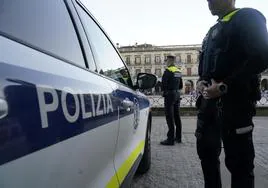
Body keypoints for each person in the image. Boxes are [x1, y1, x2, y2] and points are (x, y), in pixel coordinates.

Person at [196, 0, 268, 187]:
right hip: (207, 105)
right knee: (206, 154)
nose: (209, 2)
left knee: (240, 165)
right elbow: (205, 66)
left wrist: (224, 86)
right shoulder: (212, 31)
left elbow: (261, 56)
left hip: (236, 105)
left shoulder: (248, 17)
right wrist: (200, 82)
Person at [160, 55, 183, 145]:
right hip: (177, 94)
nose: (166, 62)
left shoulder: (168, 71)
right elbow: (181, 85)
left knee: (170, 117)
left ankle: (170, 139)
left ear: (169, 61)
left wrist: (164, 92)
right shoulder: (178, 71)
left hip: (169, 96)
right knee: (177, 116)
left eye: (166, 61)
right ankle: (178, 137)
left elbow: (163, 84)